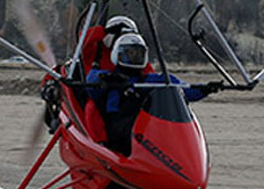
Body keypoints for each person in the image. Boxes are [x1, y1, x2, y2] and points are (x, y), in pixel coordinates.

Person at [86, 34, 220, 154]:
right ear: (118, 55)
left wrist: (205, 89)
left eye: (138, 54)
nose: (135, 58)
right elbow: (91, 83)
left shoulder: (148, 80)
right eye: (130, 54)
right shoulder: (109, 78)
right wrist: (106, 78)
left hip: (143, 128)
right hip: (118, 127)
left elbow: (182, 89)